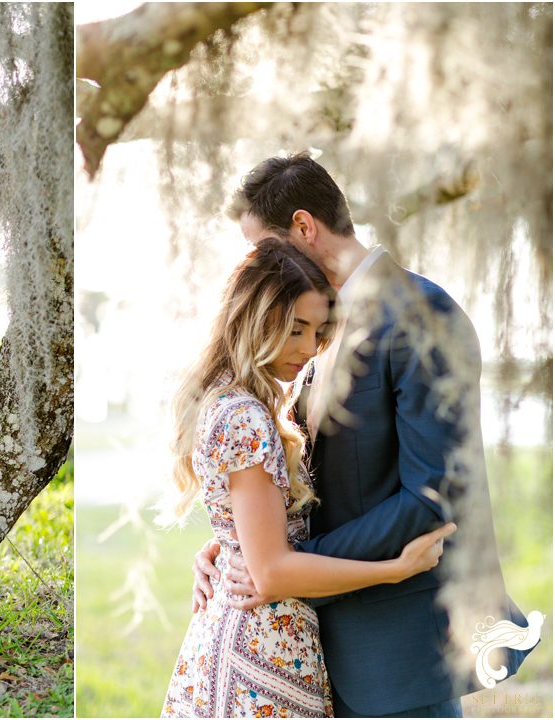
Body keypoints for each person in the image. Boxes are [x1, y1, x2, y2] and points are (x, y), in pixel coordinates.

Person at [191, 153, 533, 717]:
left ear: (304, 227)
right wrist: (237, 543)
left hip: (397, 653)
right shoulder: (312, 331)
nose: (262, 268)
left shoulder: (424, 316)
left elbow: (430, 497)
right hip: (313, 654)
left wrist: (283, 563)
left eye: (265, 248)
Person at [161, 238, 456, 718]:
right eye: (295, 329)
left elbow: (256, 531)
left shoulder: (236, 399)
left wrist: (229, 544)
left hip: (266, 640)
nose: (307, 349)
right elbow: (273, 572)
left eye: (317, 332)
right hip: (261, 652)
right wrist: (394, 570)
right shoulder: (244, 416)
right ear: (255, 317)